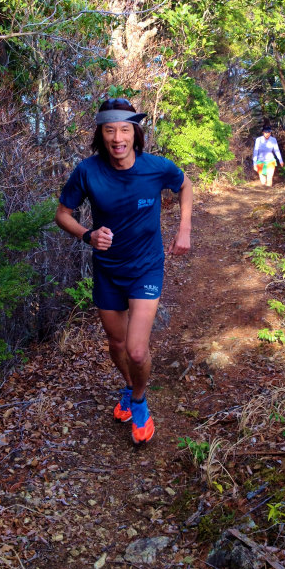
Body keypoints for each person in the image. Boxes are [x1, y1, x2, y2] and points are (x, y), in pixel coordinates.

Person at [55, 98, 192, 444]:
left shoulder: (156, 168)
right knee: (116, 344)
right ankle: (130, 388)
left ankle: (140, 401)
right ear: (101, 134)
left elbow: (185, 184)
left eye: (125, 130)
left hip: (145, 267)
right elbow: (62, 214)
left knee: (135, 350)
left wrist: (185, 229)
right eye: (110, 130)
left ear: (136, 133)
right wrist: (87, 234)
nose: (118, 138)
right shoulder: (87, 171)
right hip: (107, 271)